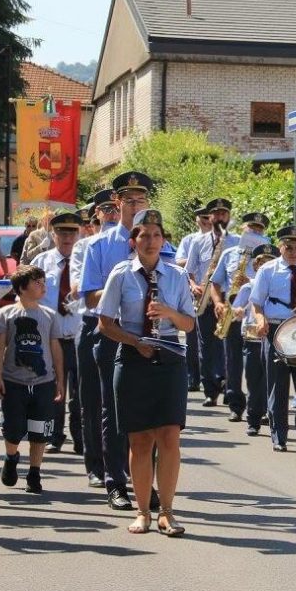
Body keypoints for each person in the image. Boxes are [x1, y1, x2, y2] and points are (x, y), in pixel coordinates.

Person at [95, 209, 195, 536]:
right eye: (144, 235)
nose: (150, 241)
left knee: (169, 437)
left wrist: (168, 312)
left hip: (168, 356)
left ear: (163, 240)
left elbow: (189, 325)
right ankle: (142, 512)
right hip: (134, 356)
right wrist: (135, 341)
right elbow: (105, 324)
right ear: (133, 241)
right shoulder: (121, 274)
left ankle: (167, 511)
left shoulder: (177, 277)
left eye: (156, 235)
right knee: (139, 441)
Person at [81, 172, 154, 511]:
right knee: (112, 410)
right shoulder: (99, 245)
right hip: (112, 334)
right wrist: (122, 292)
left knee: (147, 413)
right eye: (128, 200)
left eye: (140, 200)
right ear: (117, 202)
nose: (134, 205)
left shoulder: (158, 243)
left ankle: (144, 482)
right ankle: (116, 482)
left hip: (149, 335)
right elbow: (90, 297)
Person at [0, 265, 65, 494]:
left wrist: (60, 380)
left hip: (43, 382)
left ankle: (34, 472)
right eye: (37, 283)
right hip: (14, 381)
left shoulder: (50, 315)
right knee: (12, 427)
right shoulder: (7, 314)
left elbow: (55, 348)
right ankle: (11, 457)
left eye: (43, 282)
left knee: (39, 429)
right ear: (22, 288)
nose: (43, 286)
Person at [250, 224, 296, 453]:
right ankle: (279, 436)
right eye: (289, 247)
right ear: (280, 247)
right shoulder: (267, 270)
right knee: (278, 388)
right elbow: (257, 301)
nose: (293, 252)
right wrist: (260, 320)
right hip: (277, 331)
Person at [73, 192, 117, 489]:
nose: (113, 213)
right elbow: (81, 288)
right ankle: (95, 464)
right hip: (92, 323)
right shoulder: (84, 247)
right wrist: (119, 286)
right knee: (91, 399)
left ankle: (120, 462)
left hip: (126, 325)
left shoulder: (133, 242)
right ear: (96, 215)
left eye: (116, 208)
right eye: (106, 209)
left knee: (120, 399)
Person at [211, 211, 270, 420]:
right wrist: (218, 302)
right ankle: (236, 404)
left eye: (259, 229)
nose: (254, 231)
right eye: (250, 228)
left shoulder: (270, 257)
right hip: (233, 311)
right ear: (242, 229)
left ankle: (261, 407)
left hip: (255, 313)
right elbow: (215, 282)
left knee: (260, 363)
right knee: (232, 359)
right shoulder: (229, 254)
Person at [33, 211, 84, 454]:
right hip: (51, 337)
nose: (67, 237)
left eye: (72, 232)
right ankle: (54, 435)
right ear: (53, 235)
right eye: (62, 232)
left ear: (80, 233)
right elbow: (29, 297)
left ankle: (81, 437)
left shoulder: (87, 262)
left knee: (80, 393)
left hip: (79, 335)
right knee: (54, 390)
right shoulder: (42, 262)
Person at [186, 198, 237, 408]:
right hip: (204, 299)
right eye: (216, 214)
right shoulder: (198, 242)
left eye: (224, 214)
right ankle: (210, 391)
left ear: (229, 217)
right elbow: (188, 270)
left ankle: (229, 387)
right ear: (210, 217)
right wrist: (193, 286)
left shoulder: (238, 241)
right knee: (206, 346)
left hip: (228, 300)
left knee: (229, 347)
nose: (219, 218)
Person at [230, 245, 277, 436]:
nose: (264, 265)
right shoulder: (247, 287)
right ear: (256, 265)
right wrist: (238, 311)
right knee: (252, 379)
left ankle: (258, 417)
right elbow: (235, 308)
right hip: (251, 339)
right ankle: (254, 417)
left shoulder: (278, 285)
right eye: (261, 262)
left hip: (271, 337)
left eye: (269, 262)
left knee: (269, 380)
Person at [175, 202, 213, 392]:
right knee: (192, 337)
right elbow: (179, 261)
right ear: (197, 219)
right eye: (203, 217)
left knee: (213, 339)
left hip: (214, 293)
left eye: (209, 217)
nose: (206, 220)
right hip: (195, 291)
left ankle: (214, 377)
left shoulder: (220, 239)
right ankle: (193, 376)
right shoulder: (190, 240)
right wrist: (194, 257)